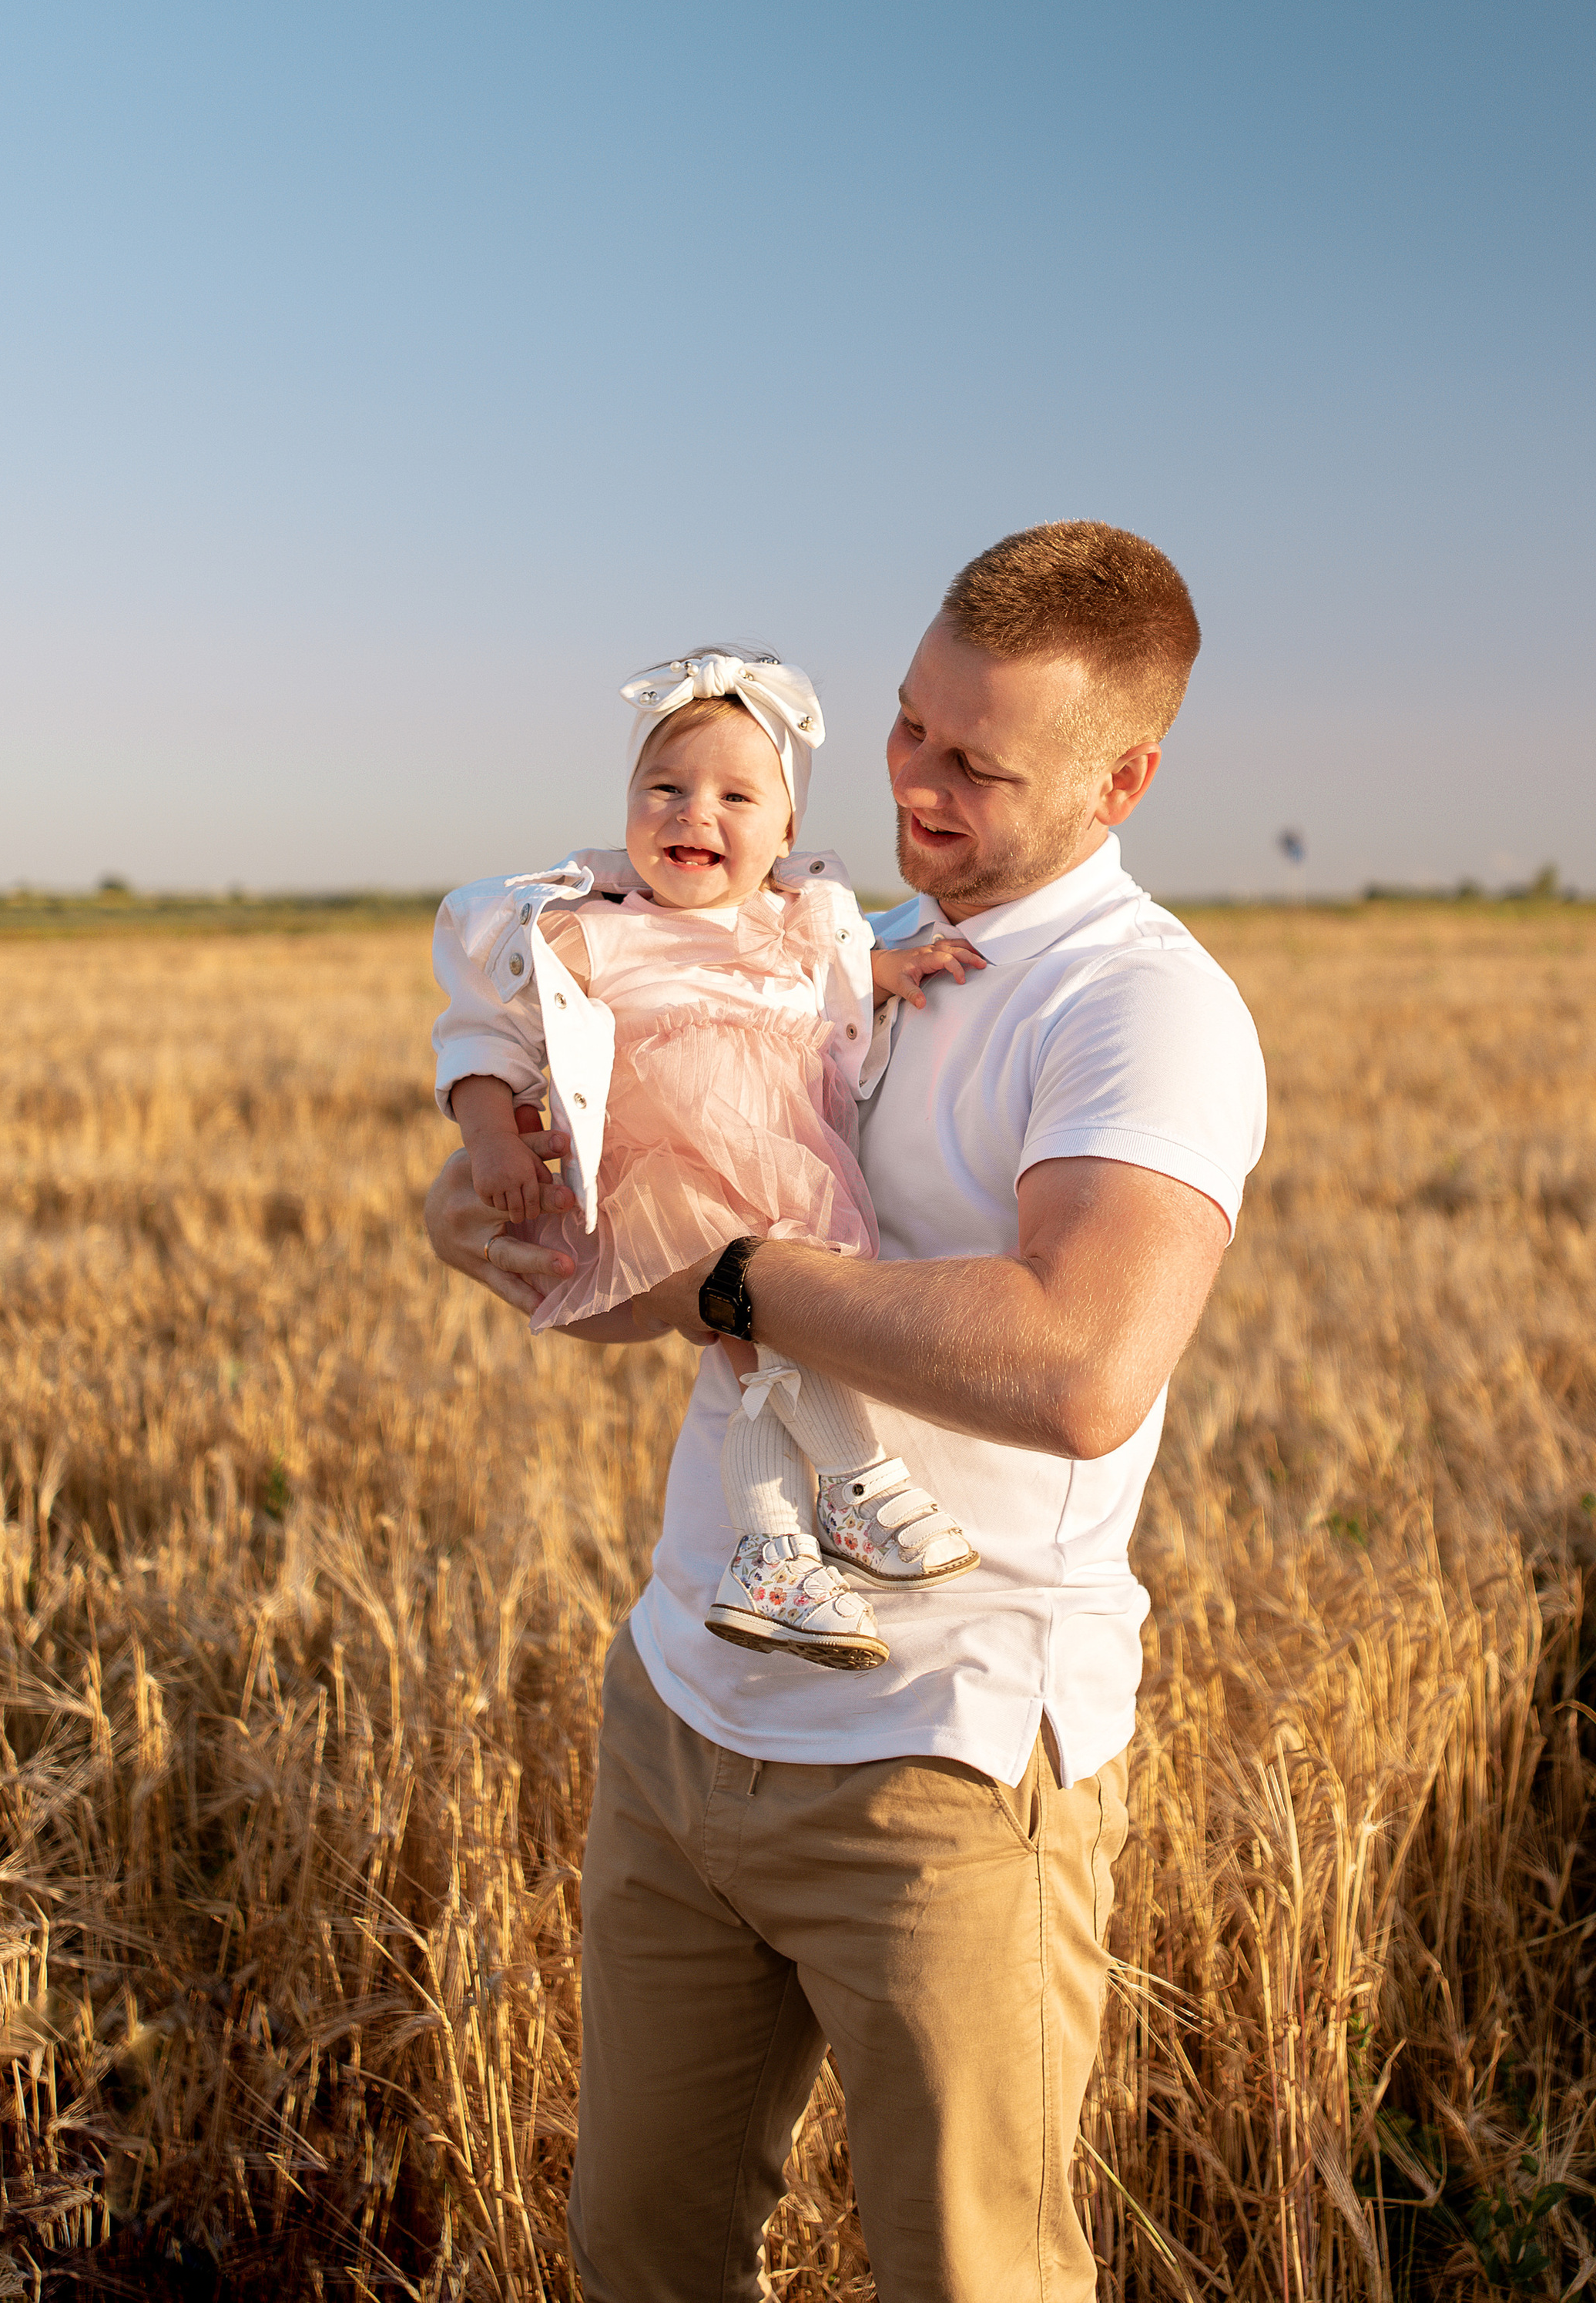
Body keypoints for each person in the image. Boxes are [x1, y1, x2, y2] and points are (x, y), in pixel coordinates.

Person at [424, 521, 1269, 2303]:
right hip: (680, 1716)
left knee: (970, 2282)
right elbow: (639, 1258)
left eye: (977, 761)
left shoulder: (1142, 1010)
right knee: (640, 2259)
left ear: (1125, 779)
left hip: (935, 1780)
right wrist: (502, 1210)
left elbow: (1077, 1366)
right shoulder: (823, 950)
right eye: (905, 725)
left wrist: (734, 1273)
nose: (914, 782)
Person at [431, 643, 984, 1672]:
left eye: (737, 794)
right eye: (666, 788)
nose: (695, 812)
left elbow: (835, 977)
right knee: (762, 1340)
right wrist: (491, 1131)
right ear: (626, 803)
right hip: (672, 1183)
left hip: (784, 1170)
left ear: (787, 830)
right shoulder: (592, 935)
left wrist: (889, 966)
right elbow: (483, 1036)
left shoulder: (793, 926)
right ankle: (855, 1477)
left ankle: (775, 1549)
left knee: (772, 1353)